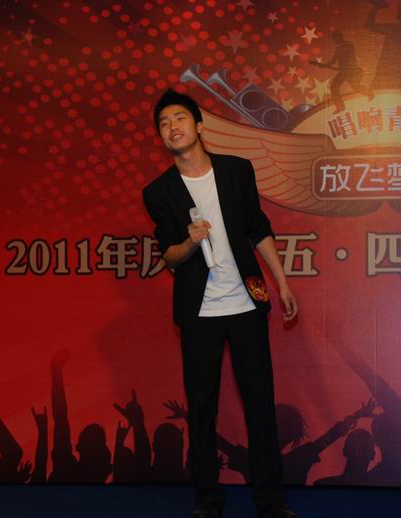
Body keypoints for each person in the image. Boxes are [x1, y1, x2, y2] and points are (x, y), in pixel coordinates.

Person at [142, 88, 298, 518]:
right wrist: (190, 242)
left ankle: (271, 500)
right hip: (201, 314)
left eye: (179, 118)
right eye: (164, 124)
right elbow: (170, 256)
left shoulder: (235, 171)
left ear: (198, 126)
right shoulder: (159, 192)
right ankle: (208, 498)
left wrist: (282, 282)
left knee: (260, 404)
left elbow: (257, 228)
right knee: (202, 409)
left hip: (247, 305)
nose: (172, 127)